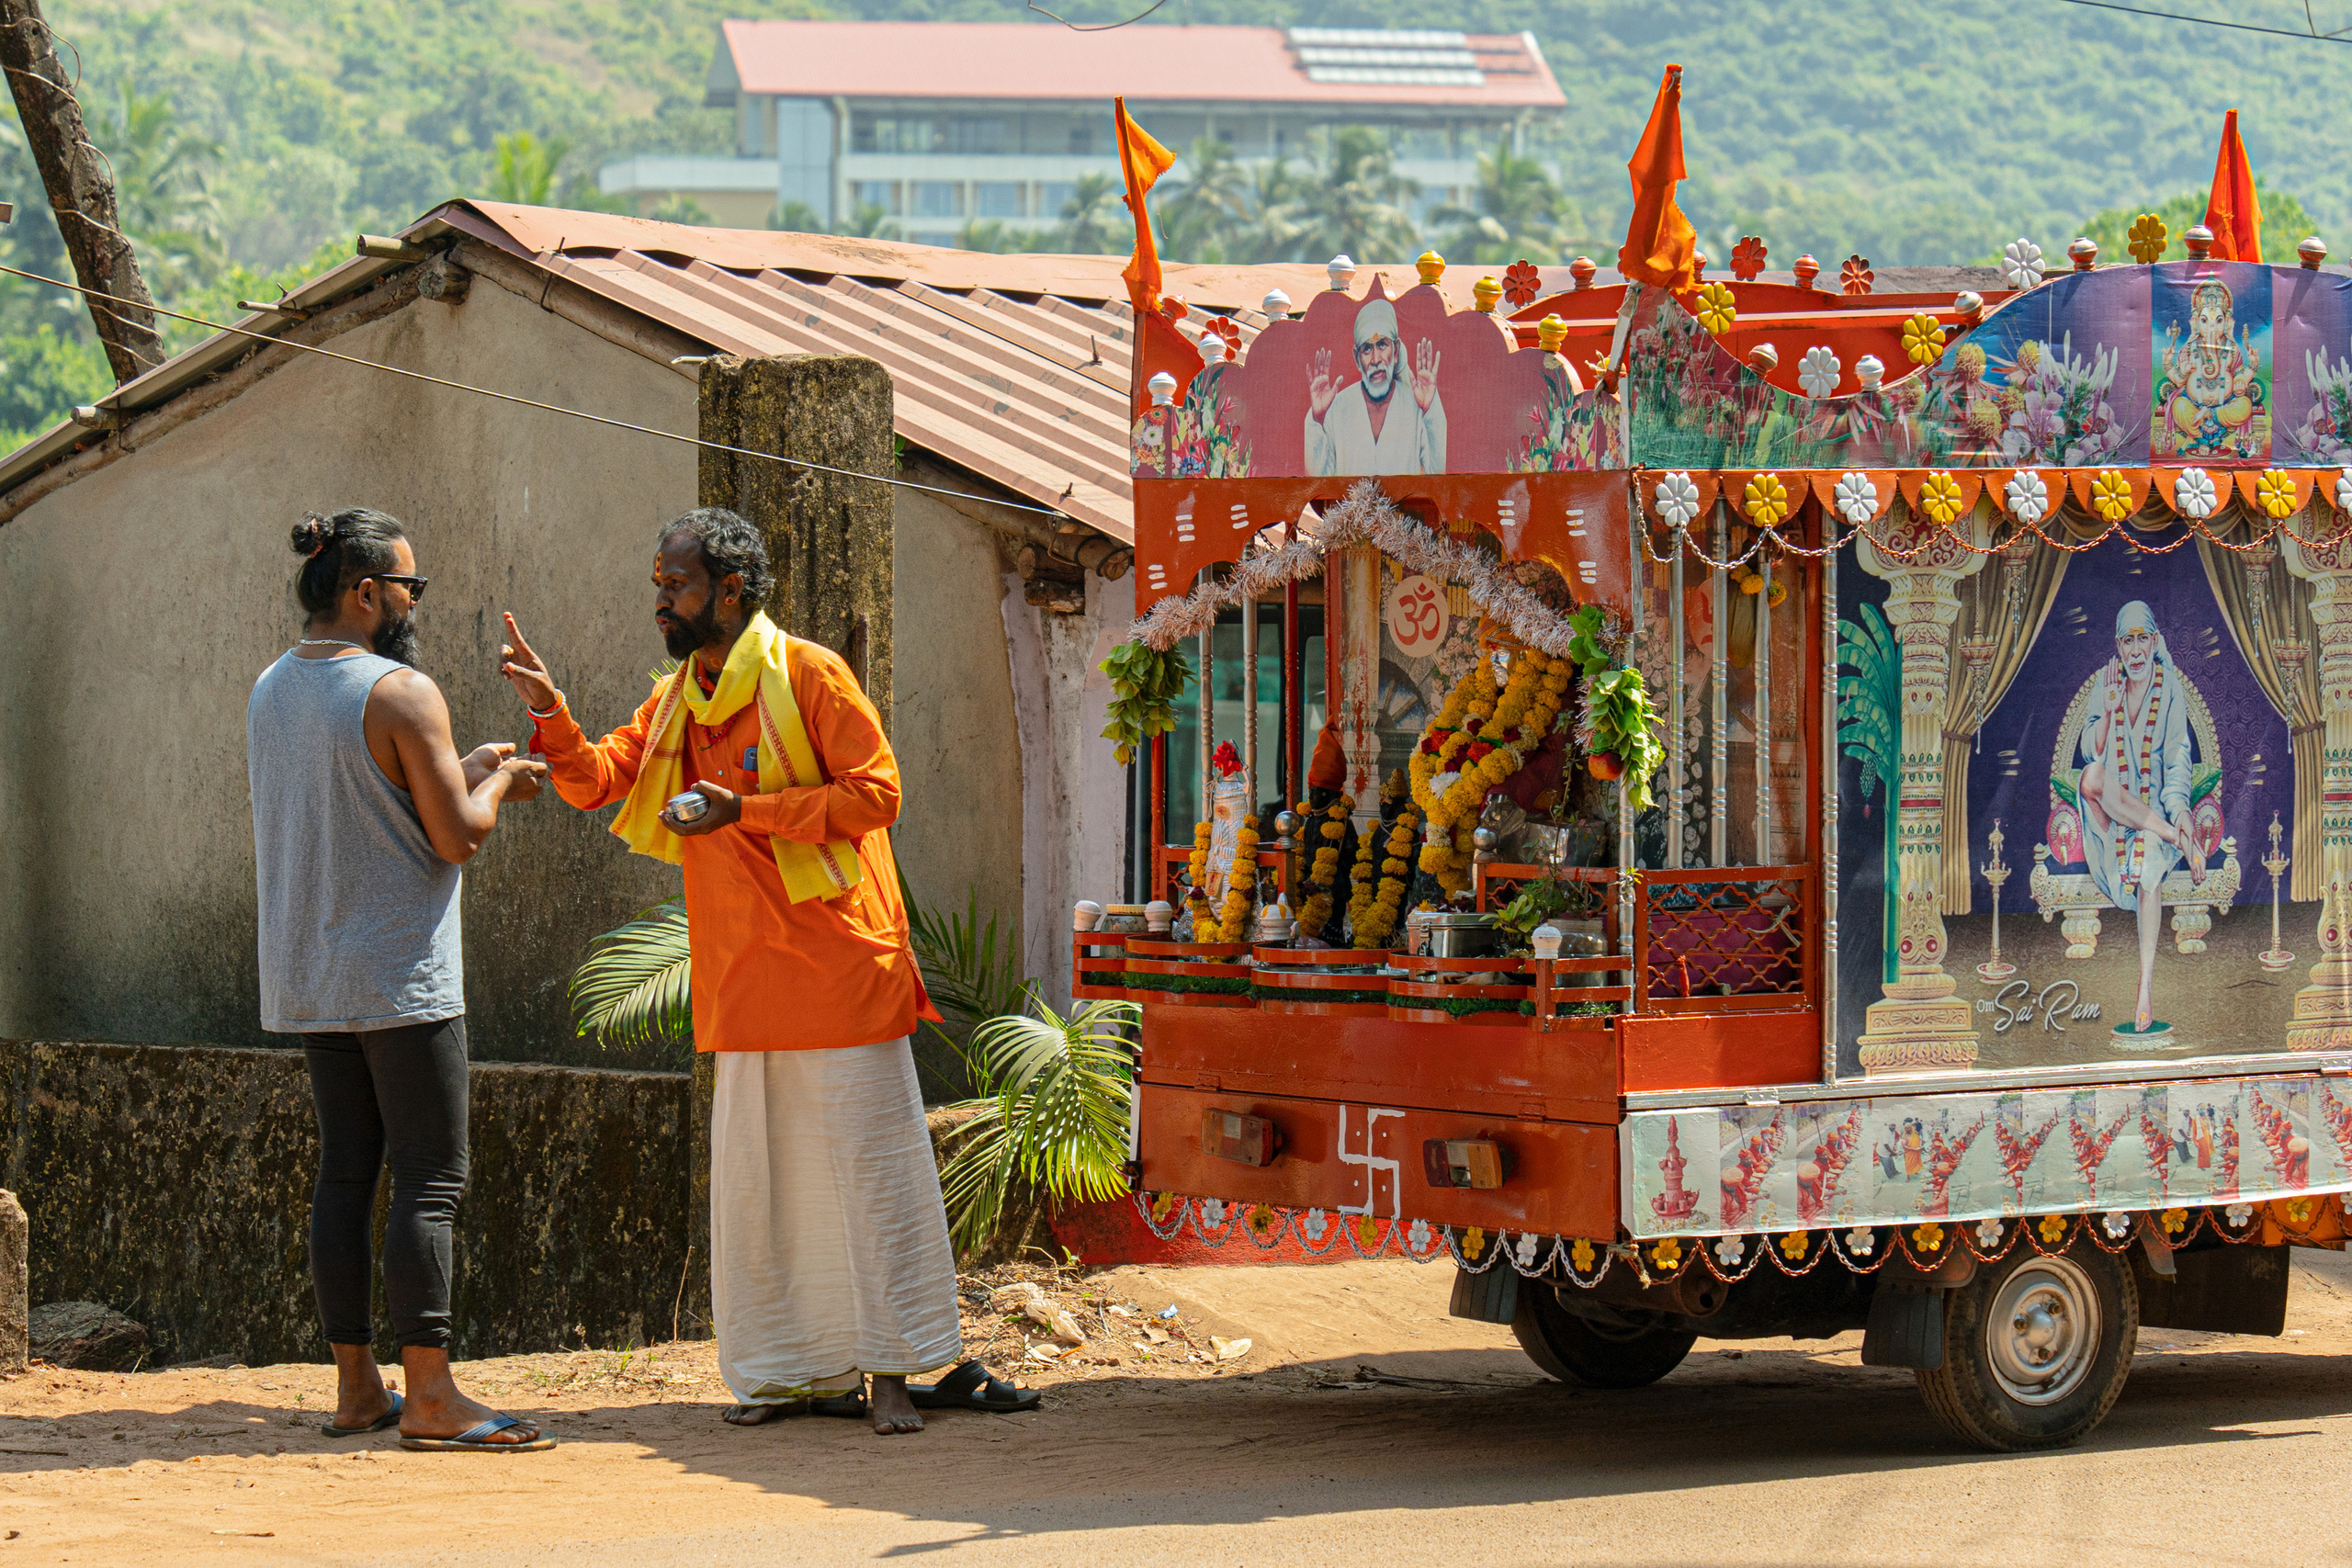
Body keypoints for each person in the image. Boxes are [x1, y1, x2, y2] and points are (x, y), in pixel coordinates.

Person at [499, 507, 1035, 1436]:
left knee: (868, 1178)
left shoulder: (810, 673)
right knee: (767, 1190)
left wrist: (743, 808)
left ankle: (895, 1372)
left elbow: (879, 794)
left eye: (677, 583)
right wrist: (551, 714)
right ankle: (792, 1370)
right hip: (744, 980)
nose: (660, 598)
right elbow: (596, 781)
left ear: (733, 588)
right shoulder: (677, 699)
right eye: (659, 583)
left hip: (837, 970)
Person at [246, 507, 553, 1453]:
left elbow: (381, 803)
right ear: (365, 590)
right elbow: (455, 836)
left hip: (313, 970)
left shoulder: (271, 688)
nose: (416, 603)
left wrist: (461, 770)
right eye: (410, 588)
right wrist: (501, 783)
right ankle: (429, 1396)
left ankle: (355, 1389)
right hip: (400, 978)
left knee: (345, 1173)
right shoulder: (401, 690)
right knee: (431, 1179)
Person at [2076, 599, 2205, 1035]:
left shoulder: (2169, 688)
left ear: (2155, 642)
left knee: (2150, 862)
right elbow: (2091, 754)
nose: (2135, 650)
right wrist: (2110, 709)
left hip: (2149, 812)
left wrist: (2182, 810)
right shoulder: (2104, 684)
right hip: (2111, 818)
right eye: (2127, 641)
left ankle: (2145, 987)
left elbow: (2177, 759)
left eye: (2142, 640)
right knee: (2092, 777)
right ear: (2118, 645)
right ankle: (2170, 834)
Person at [1305, 295, 1447, 476]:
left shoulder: (1415, 405)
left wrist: (1430, 408)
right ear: (1357, 358)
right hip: (1349, 505)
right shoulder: (1338, 407)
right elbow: (1317, 483)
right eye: (1367, 349)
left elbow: (1437, 472)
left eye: (1382, 345)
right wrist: (1317, 419)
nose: (1375, 360)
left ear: (1395, 351)